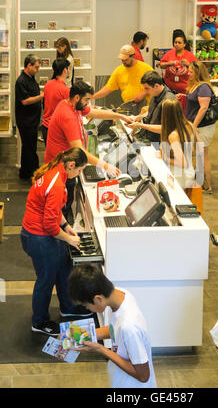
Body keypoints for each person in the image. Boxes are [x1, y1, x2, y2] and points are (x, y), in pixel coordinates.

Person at [21, 148, 93, 336]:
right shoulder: (57, 184)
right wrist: (69, 239)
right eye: (79, 170)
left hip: (40, 232)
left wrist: (67, 225)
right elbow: (50, 226)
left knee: (63, 265)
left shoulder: (57, 173)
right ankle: (39, 321)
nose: (78, 174)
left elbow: (53, 210)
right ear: (71, 165)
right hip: (38, 236)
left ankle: (68, 307)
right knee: (46, 279)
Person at [45, 81, 131, 220]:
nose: (87, 104)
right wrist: (105, 166)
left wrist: (119, 116)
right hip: (61, 167)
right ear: (77, 97)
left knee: (66, 204)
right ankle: (60, 234)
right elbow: (79, 151)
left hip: (66, 164)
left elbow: (94, 112)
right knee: (60, 208)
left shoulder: (72, 105)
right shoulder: (67, 115)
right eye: (86, 100)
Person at [67, 263, 157, 389]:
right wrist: (81, 334)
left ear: (98, 299)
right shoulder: (120, 296)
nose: (87, 309)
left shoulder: (129, 327)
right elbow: (114, 330)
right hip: (120, 379)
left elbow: (143, 376)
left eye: (86, 305)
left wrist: (101, 349)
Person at [183, 61, 216, 193]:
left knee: (202, 155)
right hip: (195, 125)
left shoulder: (203, 87)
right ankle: (199, 180)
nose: (188, 73)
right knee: (197, 154)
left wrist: (193, 126)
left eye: (191, 71)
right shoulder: (195, 85)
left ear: (198, 73)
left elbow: (203, 108)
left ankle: (208, 186)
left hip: (202, 127)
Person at [159, 97, 203, 191]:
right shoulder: (190, 125)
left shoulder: (173, 135)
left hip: (178, 177)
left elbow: (182, 163)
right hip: (189, 173)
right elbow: (198, 148)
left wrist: (164, 157)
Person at [15, 55, 44, 181]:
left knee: (28, 146)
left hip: (32, 119)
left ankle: (25, 173)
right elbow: (25, 101)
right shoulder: (21, 81)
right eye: (36, 67)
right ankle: (34, 173)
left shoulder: (31, 77)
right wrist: (42, 96)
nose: (38, 69)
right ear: (29, 66)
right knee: (30, 148)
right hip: (26, 121)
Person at [126, 70, 175, 145]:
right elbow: (153, 112)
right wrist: (139, 117)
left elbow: (166, 129)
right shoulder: (155, 93)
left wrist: (140, 125)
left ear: (156, 86)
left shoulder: (168, 101)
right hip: (150, 138)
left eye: (147, 88)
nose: (145, 91)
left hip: (160, 143)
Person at [158, 30, 198, 94]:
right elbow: (161, 65)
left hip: (185, 90)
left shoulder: (190, 55)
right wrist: (168, 63)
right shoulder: (169, 54)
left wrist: (188, 64)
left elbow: (198, 68)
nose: (177, 44)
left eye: (179, 43)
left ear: (184, 44)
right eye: (175, 42)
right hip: (169, 90)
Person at [41, 58, 70, 145]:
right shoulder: (65, 90)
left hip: (45, 127)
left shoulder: (48, 84)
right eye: (68, 68)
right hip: (56, 129)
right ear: (65, 70)